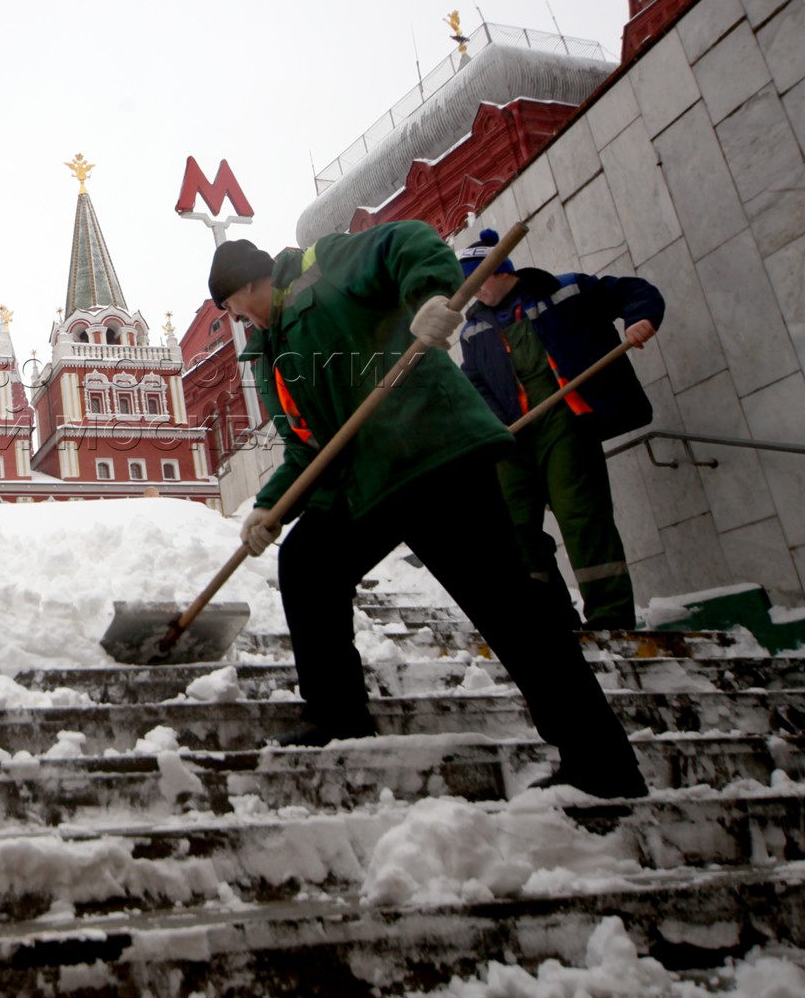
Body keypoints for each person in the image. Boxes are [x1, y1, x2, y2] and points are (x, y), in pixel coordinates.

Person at [209, 222, 647, 800]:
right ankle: (339, 714)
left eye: (241, 312)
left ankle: (601, 761)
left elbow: (409, 243)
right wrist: (269, 508)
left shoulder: (323, 263)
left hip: (432, 456)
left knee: (508, 607)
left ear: (248, 286)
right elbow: (307, 446)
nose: (247, 325)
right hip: (368, 480)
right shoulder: (273, 355)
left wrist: (432, 298)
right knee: (309, 560)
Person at [457, 229, 664, 631]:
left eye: (477, 281)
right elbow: (475, 383)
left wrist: (641, 319)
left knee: (580, 513)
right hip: (511, 435)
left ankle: (610, 615)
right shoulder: (473, 331)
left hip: (566, 419)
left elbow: (633, 291)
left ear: (501, 271)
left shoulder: (565, 292)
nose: (474, 293)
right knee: (513, 525)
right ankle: (547, 616)